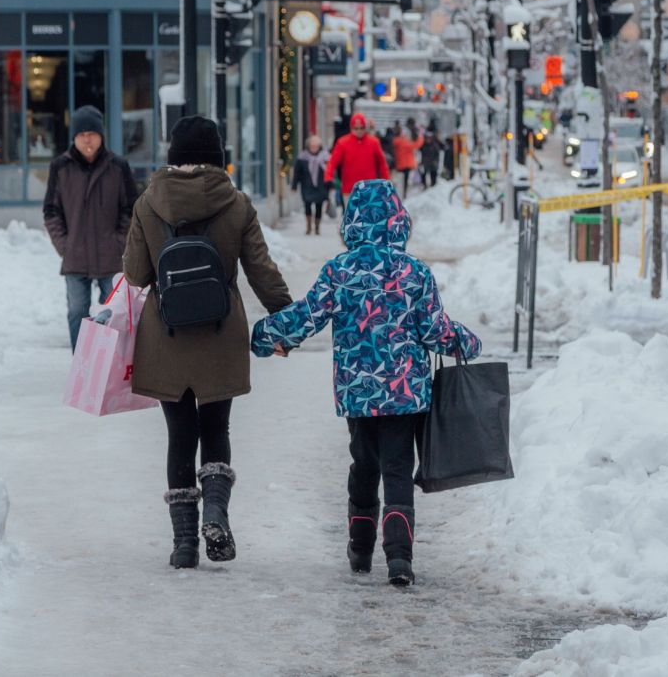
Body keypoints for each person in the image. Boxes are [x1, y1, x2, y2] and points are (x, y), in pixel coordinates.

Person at [250, 180, 480, 587]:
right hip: (406, 395)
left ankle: (359, 549)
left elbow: (307, 316)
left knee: (363, 463)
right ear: (398, 221)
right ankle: (400, 560)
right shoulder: (415, 272)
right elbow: (435, 331)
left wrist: (265, 335)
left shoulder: (340, 270)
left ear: (351, 221)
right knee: (397, 467)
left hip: (358, 393)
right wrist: (467, 341)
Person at [123, 116, 292, 569]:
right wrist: (286, 320)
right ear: (218, 157)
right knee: (216, 429)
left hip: (167, 336)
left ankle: (183, 545)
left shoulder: (148, 203)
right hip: (221, 334)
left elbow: (137, 274)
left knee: (180, 436)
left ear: (172, 157)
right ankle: (215, 511)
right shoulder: (236, 204)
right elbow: (262, 272)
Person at [42, 106, 139, 353]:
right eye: (82, 133)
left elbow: (131, 209)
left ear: (101, 136)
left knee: (112, 313)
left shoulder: (118, 167)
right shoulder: (60, 167)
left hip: (110, 256)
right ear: (74, 137)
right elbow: (51, 211)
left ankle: (110, 363)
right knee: (77, 312)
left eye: (92, 133)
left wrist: (119, 243)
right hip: (75, 255)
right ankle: (81, 364)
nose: (87, 138)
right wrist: (65, 245)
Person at [325, 113, 391, 200]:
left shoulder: (374, 142)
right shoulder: (342, 142)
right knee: (352, 213)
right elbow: (333, 162)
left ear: (365, 128)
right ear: (351, 128)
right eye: (356, 128)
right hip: (349, 189)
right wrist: (328, 177)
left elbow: (382, 163)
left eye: (362, 128)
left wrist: (386, 180)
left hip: (369, 188)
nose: (359, 131)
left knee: (367, 213)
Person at [291, 134, 331, 235]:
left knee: (319, 206)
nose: (314, 146)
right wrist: (294, 185)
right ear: (308, 145)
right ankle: (309, 225)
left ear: (319, 145)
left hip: (320, 186)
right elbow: (297, 172)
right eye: (312, 144)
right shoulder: (302, 157)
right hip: (306, 185)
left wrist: (331, 185)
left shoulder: (325, 157)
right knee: (307, 205)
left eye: (316, 144)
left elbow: (330, 172)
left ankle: (317, 227)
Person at [391, 122, 421, 196]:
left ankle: (400, 195)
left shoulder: (394, 141)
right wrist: (421, 137)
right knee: (405, 183)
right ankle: (404, 195)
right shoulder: (403, 142)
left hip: (398, 165)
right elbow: (416, 145)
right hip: (406, 164)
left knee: (399, 183)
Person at [419, 124, 442, 188]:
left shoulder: (435, 145)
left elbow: (437, 154)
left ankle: (433, 186)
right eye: (427, 138)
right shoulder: (423, 145)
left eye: (429, 138)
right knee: (423, 175)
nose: (428, 140)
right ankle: (424, 185)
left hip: (433, 163)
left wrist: (435, 162)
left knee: (433, 175)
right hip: (425, 163)